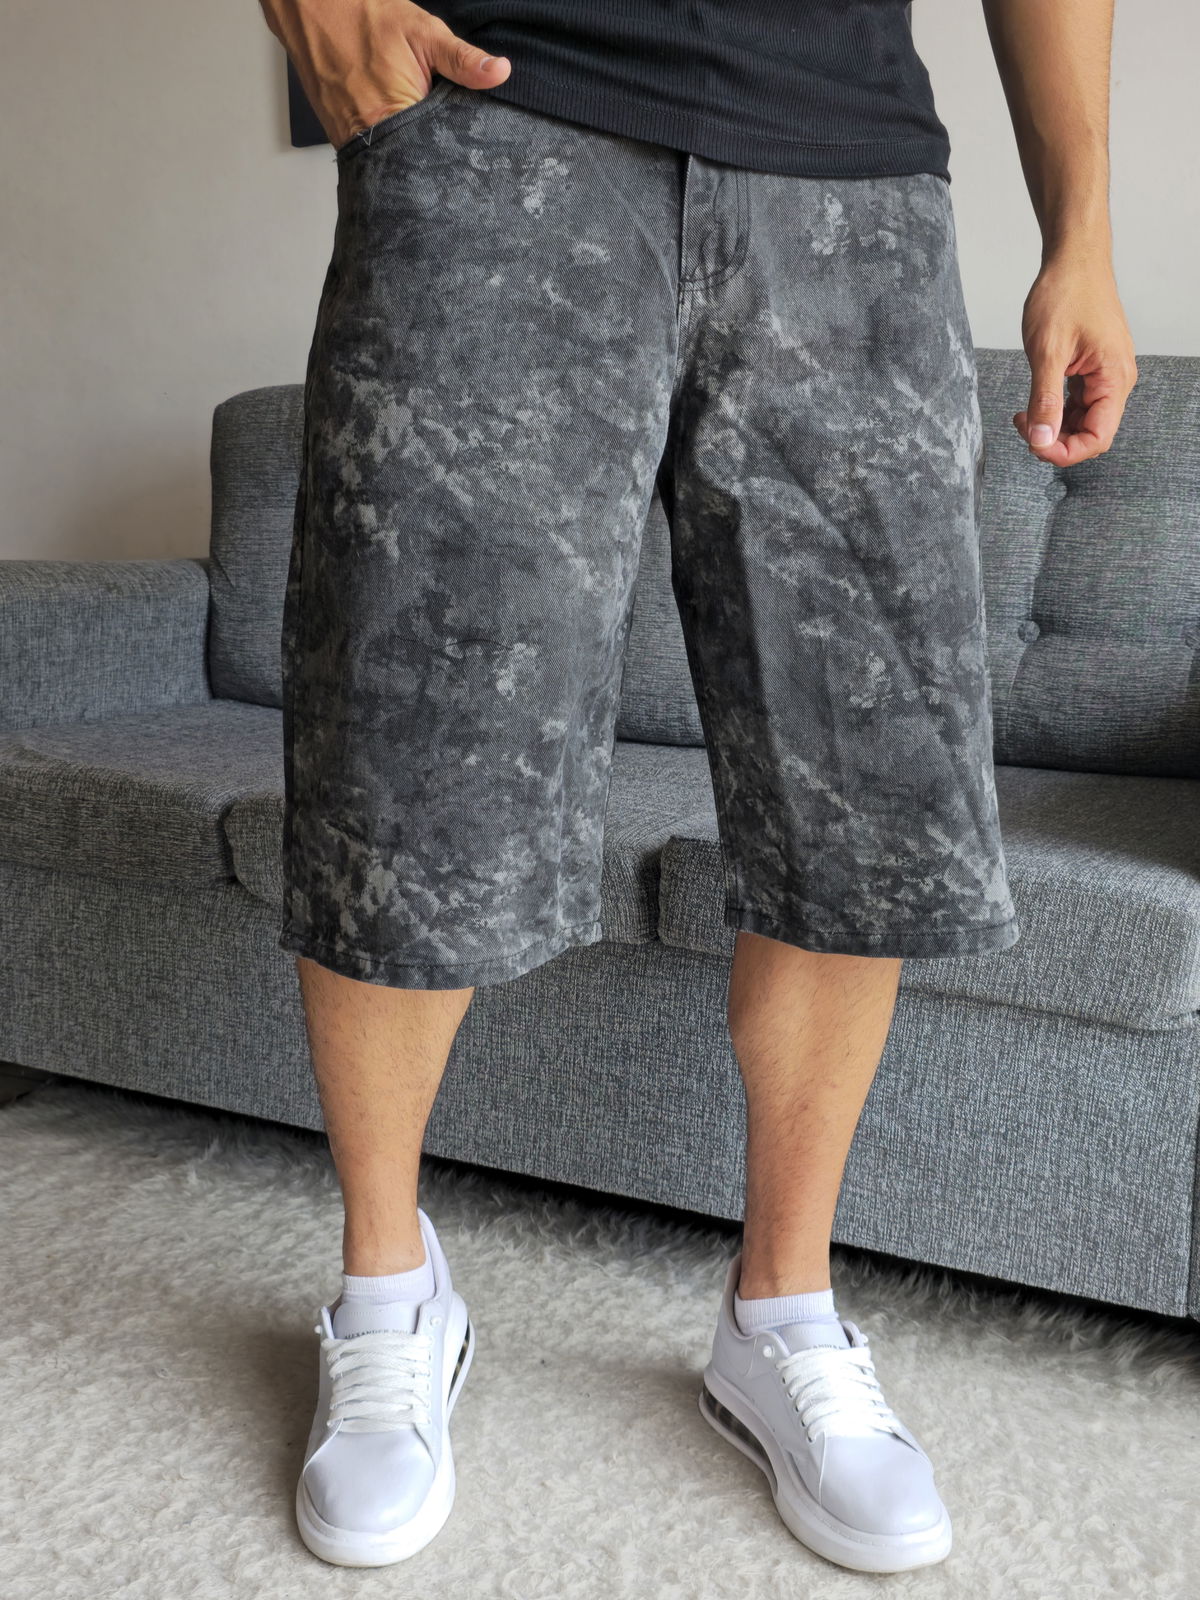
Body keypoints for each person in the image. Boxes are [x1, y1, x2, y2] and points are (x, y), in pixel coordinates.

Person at [255, 0, 1137, 1575]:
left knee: (863, 785)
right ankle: (388, 1293)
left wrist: (1083, 225)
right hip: (498, 117)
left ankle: (782, 1313)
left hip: (854, 181)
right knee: (411, 749)